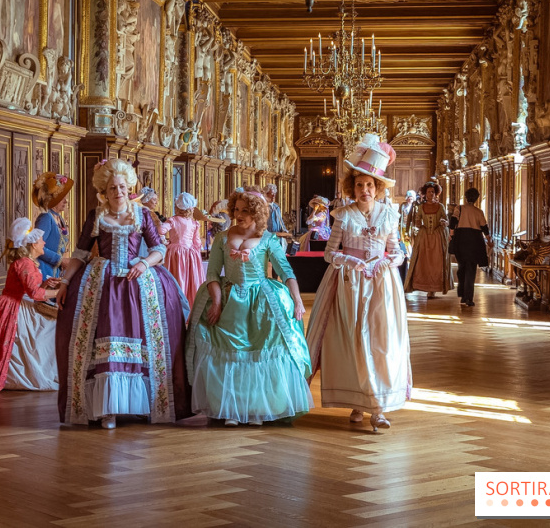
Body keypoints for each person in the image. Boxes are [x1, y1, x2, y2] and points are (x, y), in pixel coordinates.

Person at [54, 159, 191, 429]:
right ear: (104, 191)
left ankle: (143, 404)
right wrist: (65, 283)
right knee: (105, 341)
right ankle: (108, 409)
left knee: (144, 342)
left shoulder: (142, 215)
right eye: (112, 187)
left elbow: (159, 250)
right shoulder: (96, 216)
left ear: (129, 187)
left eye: (122, 186)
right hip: (102, 286)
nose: (118, 191)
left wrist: (143, 263)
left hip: (136, 282)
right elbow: (81, 254)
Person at [306, 133, 411, 431]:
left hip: (381, 285)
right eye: (359, 184)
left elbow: (398, 253)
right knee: (353, 342)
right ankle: (356, 402)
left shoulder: (390, 215)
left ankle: (378, 407)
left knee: (381, 340)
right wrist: (350, 261)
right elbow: (329, 253)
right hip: (349, 284)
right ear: (351, 188)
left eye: (369, 185)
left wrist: (386, 261)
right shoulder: (343, 216)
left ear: (377, 188)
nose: (364, 189)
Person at [187, 188, 313, 426]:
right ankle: (231, 408)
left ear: (256, 212)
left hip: (263, 300)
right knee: (231, 353)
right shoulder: (223, 238)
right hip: (229, 297)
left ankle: (258, 409)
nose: (239, 214)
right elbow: (213, 273)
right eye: (236, 209)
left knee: (261, 351)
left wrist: (297, 300)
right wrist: (216, 301)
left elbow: (286, 272)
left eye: (245, 210)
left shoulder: (268, 239)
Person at [0, 218, 60, 392]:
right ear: (33, 245)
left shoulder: (28, 263)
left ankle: (42, 369)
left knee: (51, 327)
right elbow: (34, 294)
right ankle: (32, 373)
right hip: (13, 307)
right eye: (41, 240)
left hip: (20, 303)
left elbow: (33, 290)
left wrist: (45, 284)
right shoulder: (24, 264)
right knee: (49, 329)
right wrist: (60, 292)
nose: (44, 242)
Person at [404, 181, 453, 298]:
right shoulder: (421, 207)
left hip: (437, 237)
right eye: (428, 192)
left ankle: (434, 289)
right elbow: (417, 220)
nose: (431, 194)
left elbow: (446, 220)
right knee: (424, 262)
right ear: (425, 194)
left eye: (432, 192)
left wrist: (444, 223)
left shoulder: (440, 206)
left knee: (436, 263)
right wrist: (417, 224)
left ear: (436, 193)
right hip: (424, 236)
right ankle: (424, 286)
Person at [450, 187, 493, 307]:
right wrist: (489, 240)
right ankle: (468, 297)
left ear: (466, 197)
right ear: (476, 199)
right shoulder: (478, 212)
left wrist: (451, 235)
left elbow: (453, 222)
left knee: (461, 268)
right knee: (471, 270)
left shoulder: (459, 208)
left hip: (461, 240)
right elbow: (484, 228)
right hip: (475, 241)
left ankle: (462, 294)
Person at [160, 192, 204, 306]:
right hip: (190, 254)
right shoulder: (194, 223)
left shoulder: (173, 220)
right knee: (190, 280)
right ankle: (190, 307)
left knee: (177, 278)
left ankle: (176, 307)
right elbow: (197, 242)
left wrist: (165, 241)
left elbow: (160, 230)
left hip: (176, 253)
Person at [32, 172, 74, 280]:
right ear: (52, 199)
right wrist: (60, 260)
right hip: (45, 271)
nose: (66, 201)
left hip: (56, 272)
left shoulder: (59, 218)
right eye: (62, 198)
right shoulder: (46, 218)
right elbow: (36, 246)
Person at [398, 190, 417, 282]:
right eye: (409, 198)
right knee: (404, 241)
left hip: (411, 228)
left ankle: (411, 254)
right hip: (403, 226)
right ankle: (407, 254)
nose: (410, 199)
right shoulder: (403, 205)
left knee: (410, 241)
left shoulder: (415, 207)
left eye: (411, 198)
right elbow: (400, 215)